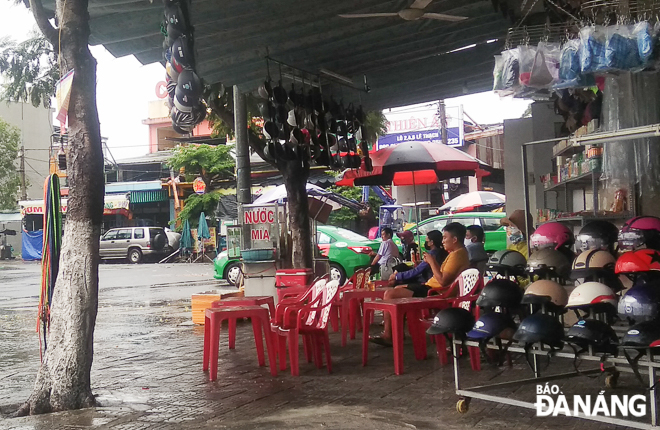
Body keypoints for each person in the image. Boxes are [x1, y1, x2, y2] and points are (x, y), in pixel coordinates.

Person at [371, 223, 470, 346]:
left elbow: (443, 281)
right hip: (431, 287)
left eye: (445, 237)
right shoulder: (456, 253)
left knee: (390, 294)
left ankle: (389, 335)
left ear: (454, 239)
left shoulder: (457, 255)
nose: (443, 241)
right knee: (396, 289)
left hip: (435, 291)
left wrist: (432, 262)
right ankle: (395, 333)